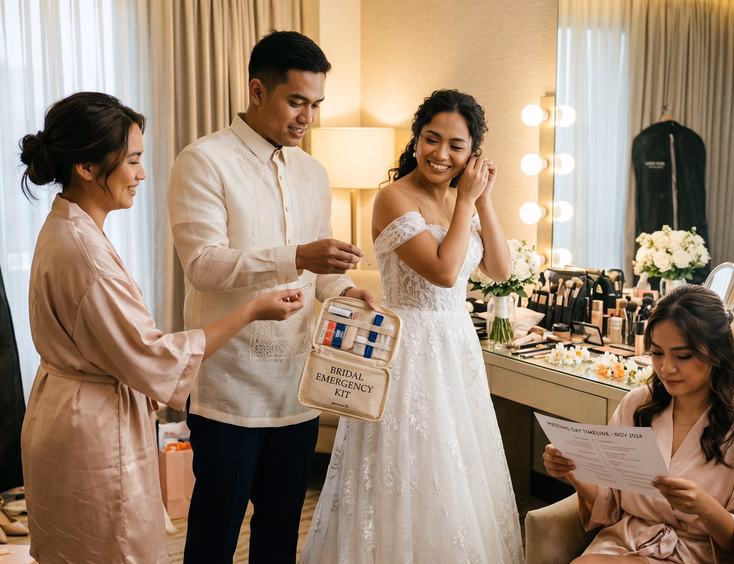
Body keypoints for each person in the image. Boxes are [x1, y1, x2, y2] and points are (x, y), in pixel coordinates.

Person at [18, 92, 304, 564]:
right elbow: (152, 355)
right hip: (90, 427)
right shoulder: (84, 252)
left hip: (63, 410)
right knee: (114, 547)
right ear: (87, 167)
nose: (142, 174)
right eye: (132, 161)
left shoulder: (67, 226)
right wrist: (251, 310)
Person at [167, 31, 374, 564]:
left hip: (297, 390)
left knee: (282, 530)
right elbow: (203, 265)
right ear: (258, 91)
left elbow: (317, 276)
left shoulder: (314, 173)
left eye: (316, 104)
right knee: (215, 530)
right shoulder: (203, 160)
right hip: (229, 391)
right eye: (296, 101)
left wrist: (348, 292)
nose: (307, 117)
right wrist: (298, 256)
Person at [300, 89, 524, 563]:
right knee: (412, 466)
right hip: (411, 347)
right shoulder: (394, 197)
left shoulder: (463, 199)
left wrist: (482, 200)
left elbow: (501, 271)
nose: (441, 154)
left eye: (456, 146)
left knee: (457, 466)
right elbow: (444, 271)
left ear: (472, 153)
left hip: (457, 346)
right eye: (431, 139)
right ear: (416, 140)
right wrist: (466, 198)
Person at [544, 285, 734, 563]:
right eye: (657, 353)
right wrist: (572, 470)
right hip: (625, 542)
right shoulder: (638, 405)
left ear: (717, 354)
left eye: (682, 356)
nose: (666, 368)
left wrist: (703, 506)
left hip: (698, 554)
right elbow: (609, 502)